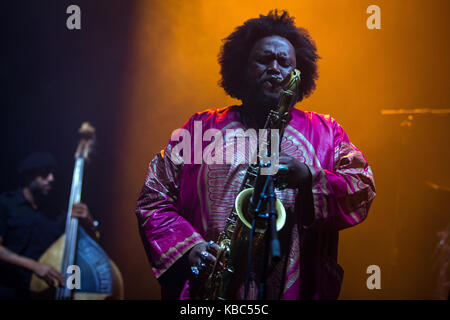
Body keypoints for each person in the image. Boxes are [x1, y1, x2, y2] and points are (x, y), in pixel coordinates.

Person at [135, 10, 376, 300]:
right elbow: (153, 198)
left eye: (284, 63)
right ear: (241, 68)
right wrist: (190, 249)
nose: (275, 69)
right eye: (263, 60)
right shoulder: (200, 128)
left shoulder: (326, 131)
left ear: (298, 74)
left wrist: (308, 177)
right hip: (210, 291)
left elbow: (362, 188)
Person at [0, 152, 95, 299]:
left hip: (44, 292)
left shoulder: (56, 212)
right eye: (44, 174)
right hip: (8, 289)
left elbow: (86, 245)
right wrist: (34, 266)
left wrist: (89, 221)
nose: (51, 179)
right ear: (28, 176)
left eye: (52, 174)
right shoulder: (6, 204)